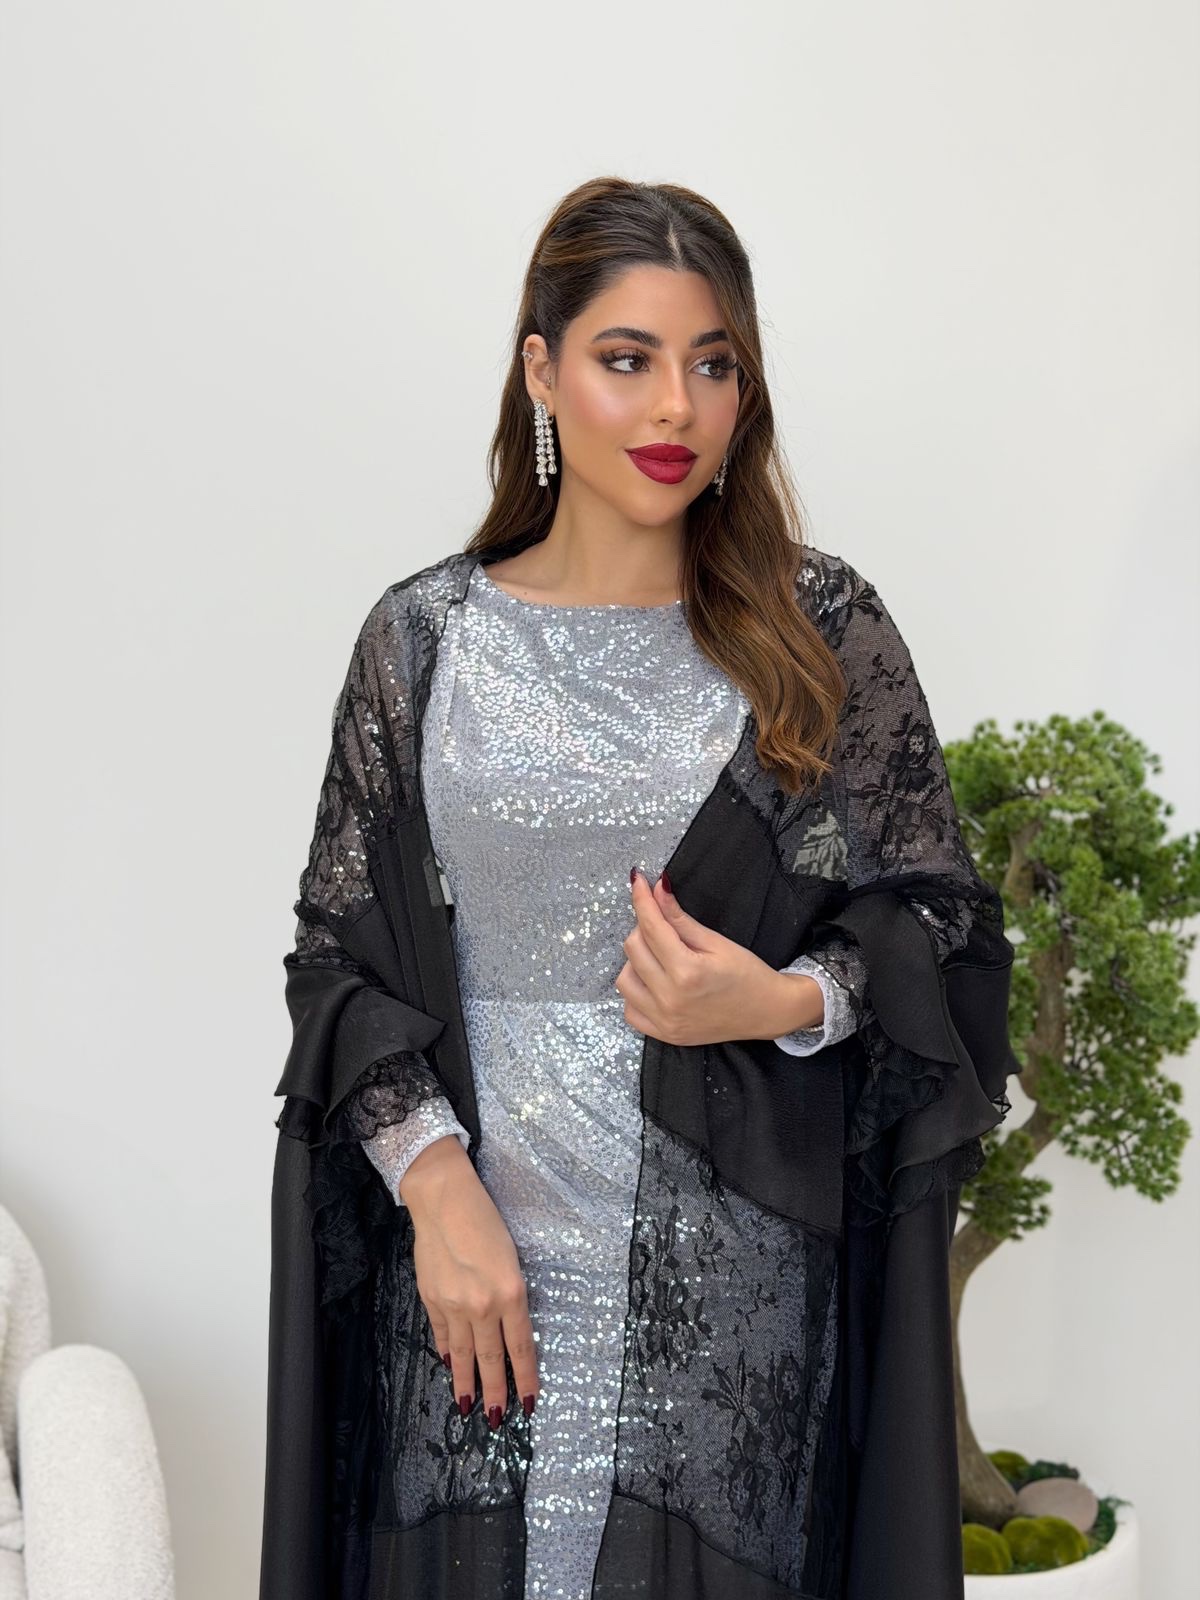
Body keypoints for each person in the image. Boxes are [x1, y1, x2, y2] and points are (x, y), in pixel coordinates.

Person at [261, 176, 1020, 1600]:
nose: (677, 405)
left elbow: (945, 923)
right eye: (629, 358)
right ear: (542, 371)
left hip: (720, 1312)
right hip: (470, 1289)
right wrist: (433, 1184)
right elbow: (332, 958)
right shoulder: (421, 642)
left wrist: (781, 998)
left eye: (714, 363)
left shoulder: (820, 632)